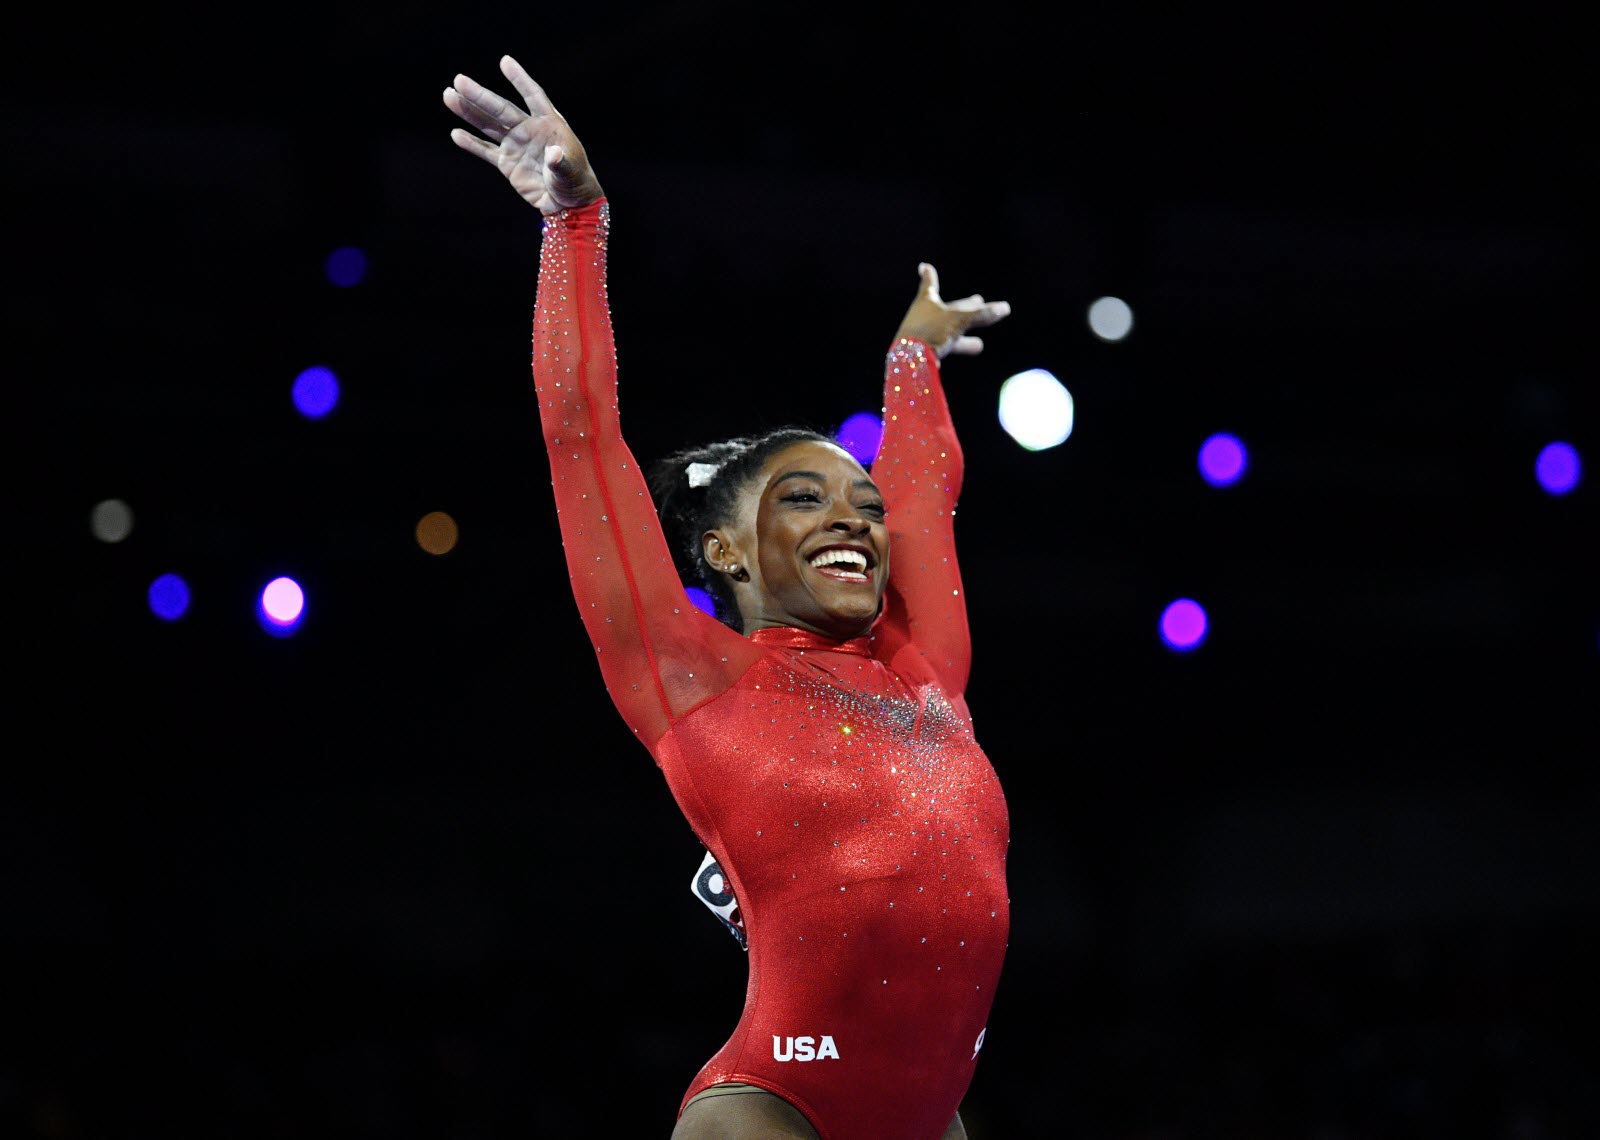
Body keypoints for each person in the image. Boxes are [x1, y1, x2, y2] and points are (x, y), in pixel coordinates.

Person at [443, 55, 1014, 1140]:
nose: (854, 518)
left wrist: (913, 359)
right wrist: (576, 226)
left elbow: (921, 488)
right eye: (806, 500)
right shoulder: (692, 677)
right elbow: (579, 435)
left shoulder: (927, 663)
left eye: (858, 504)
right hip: (773, 1107)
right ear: (724, 550)